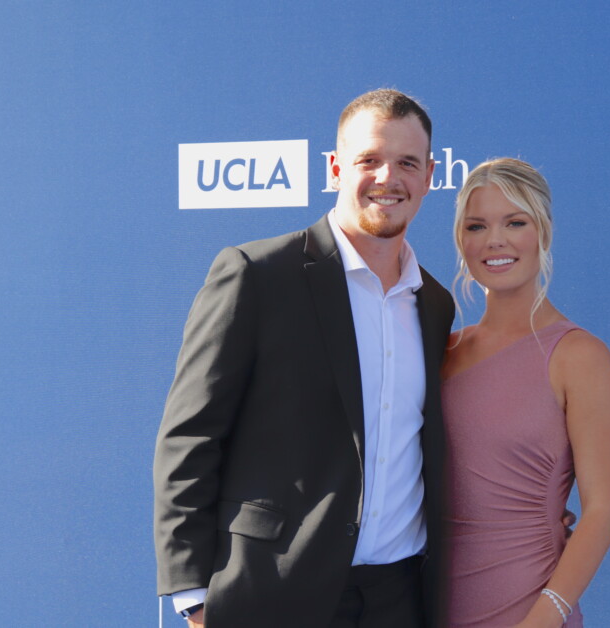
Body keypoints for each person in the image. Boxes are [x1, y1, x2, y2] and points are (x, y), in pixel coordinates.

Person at [153, 89, 455, 628]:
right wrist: (193, 598)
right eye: (369, 160)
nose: (389, 178)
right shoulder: (258, 273)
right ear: (337, 167)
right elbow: (190, 437)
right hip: (274, 592)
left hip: (400, 599)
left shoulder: (433, 303)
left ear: (430, 175)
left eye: (407, 162)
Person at [441, 158, 610, 627]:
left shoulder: (579, 355)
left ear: (543, 231)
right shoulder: (442, 351)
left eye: (515, 222)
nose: (495, 240)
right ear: (461, 240)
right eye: (477, 225)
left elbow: (602, 510)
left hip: (527, 608)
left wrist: (544, 618)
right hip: (429, 603)